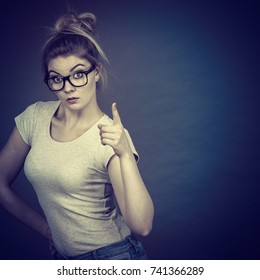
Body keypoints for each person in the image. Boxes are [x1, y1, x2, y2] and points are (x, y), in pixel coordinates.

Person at [0, 11, 154, 260]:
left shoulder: (110, 136)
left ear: (96, 72)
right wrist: (46, 230)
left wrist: (125, 155)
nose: (68, 87)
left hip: (112, 258)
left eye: (78, 74)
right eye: (57, 79)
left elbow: (142, 226)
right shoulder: (35, 117)